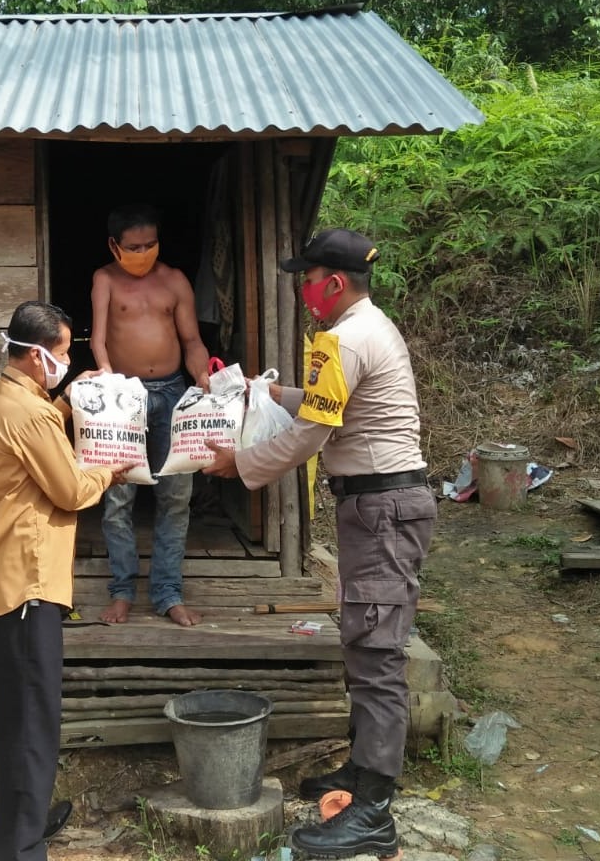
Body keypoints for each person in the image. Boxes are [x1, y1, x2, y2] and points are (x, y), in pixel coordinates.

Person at [202, 229, 435, 861]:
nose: (302, 290)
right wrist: (262, 391)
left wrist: (241, 463)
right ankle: (362, 776)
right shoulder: (366, 329)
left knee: (379, 651)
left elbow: (310, 436)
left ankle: (375, 813)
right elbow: (325, 406)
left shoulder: (341, 338)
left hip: (382, 508)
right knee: (364, 640)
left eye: (306, 279)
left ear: (333, 283)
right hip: (377, 507)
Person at [0, 301, 129, 861]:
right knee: (31, 726)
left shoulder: (6, 400)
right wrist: (113, 468)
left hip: (10, 580)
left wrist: (65, 403)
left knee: (19, 719)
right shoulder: (29, 415)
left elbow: (37, 430)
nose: (66, 362)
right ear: (38, 356)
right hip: (28, 588)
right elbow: (69, 489)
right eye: (63, 354)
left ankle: (24, 823)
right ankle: (20, 849)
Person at [90, 203, 212, 627]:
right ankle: (122, 591)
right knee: (117, 497)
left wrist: (202, 377)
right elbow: (99, 340)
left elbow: (193, 340)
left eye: (150, 245)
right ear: (114, 245)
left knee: (176, 497)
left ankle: (167, 593)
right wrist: (106, 378)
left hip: (174, 391)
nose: (143, 252)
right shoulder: (104, 279)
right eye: (134, 247)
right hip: (123, 395)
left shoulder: (174, 280)